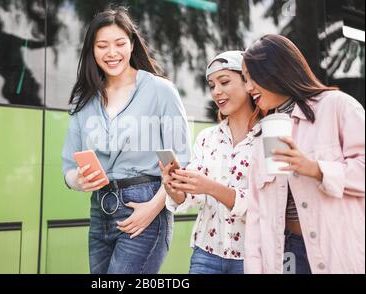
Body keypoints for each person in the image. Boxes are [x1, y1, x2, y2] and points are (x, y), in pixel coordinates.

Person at [61, 7, 191, 274]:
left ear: (131, 45)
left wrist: (153, 209)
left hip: (146, 204)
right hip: (100, 210)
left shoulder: (160, 90)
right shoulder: (83, 100)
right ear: (92, 50)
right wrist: (79, 180)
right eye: (102, 45)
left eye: (120, 43)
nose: (112, 53)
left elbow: (182, 163)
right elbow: (68, 167)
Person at [242, 34, 365, 274]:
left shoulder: (336, 106)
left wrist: (316, 169)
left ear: (275, 69)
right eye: (245, 80)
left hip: (338, 253)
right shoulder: (261, 134)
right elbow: (256, 215)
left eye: (251, 77)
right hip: (285, 254)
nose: (248, 88)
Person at [160, 51, 261, 274]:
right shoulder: (207, 137)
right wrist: (174, 187)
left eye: (224, 82)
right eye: (212, 85)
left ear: (248, 82)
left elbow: (267, 204)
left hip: (252, 257)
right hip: (205, 254)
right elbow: (192, 197)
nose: (216, 92)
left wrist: (212, 188)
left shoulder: (269, 137)